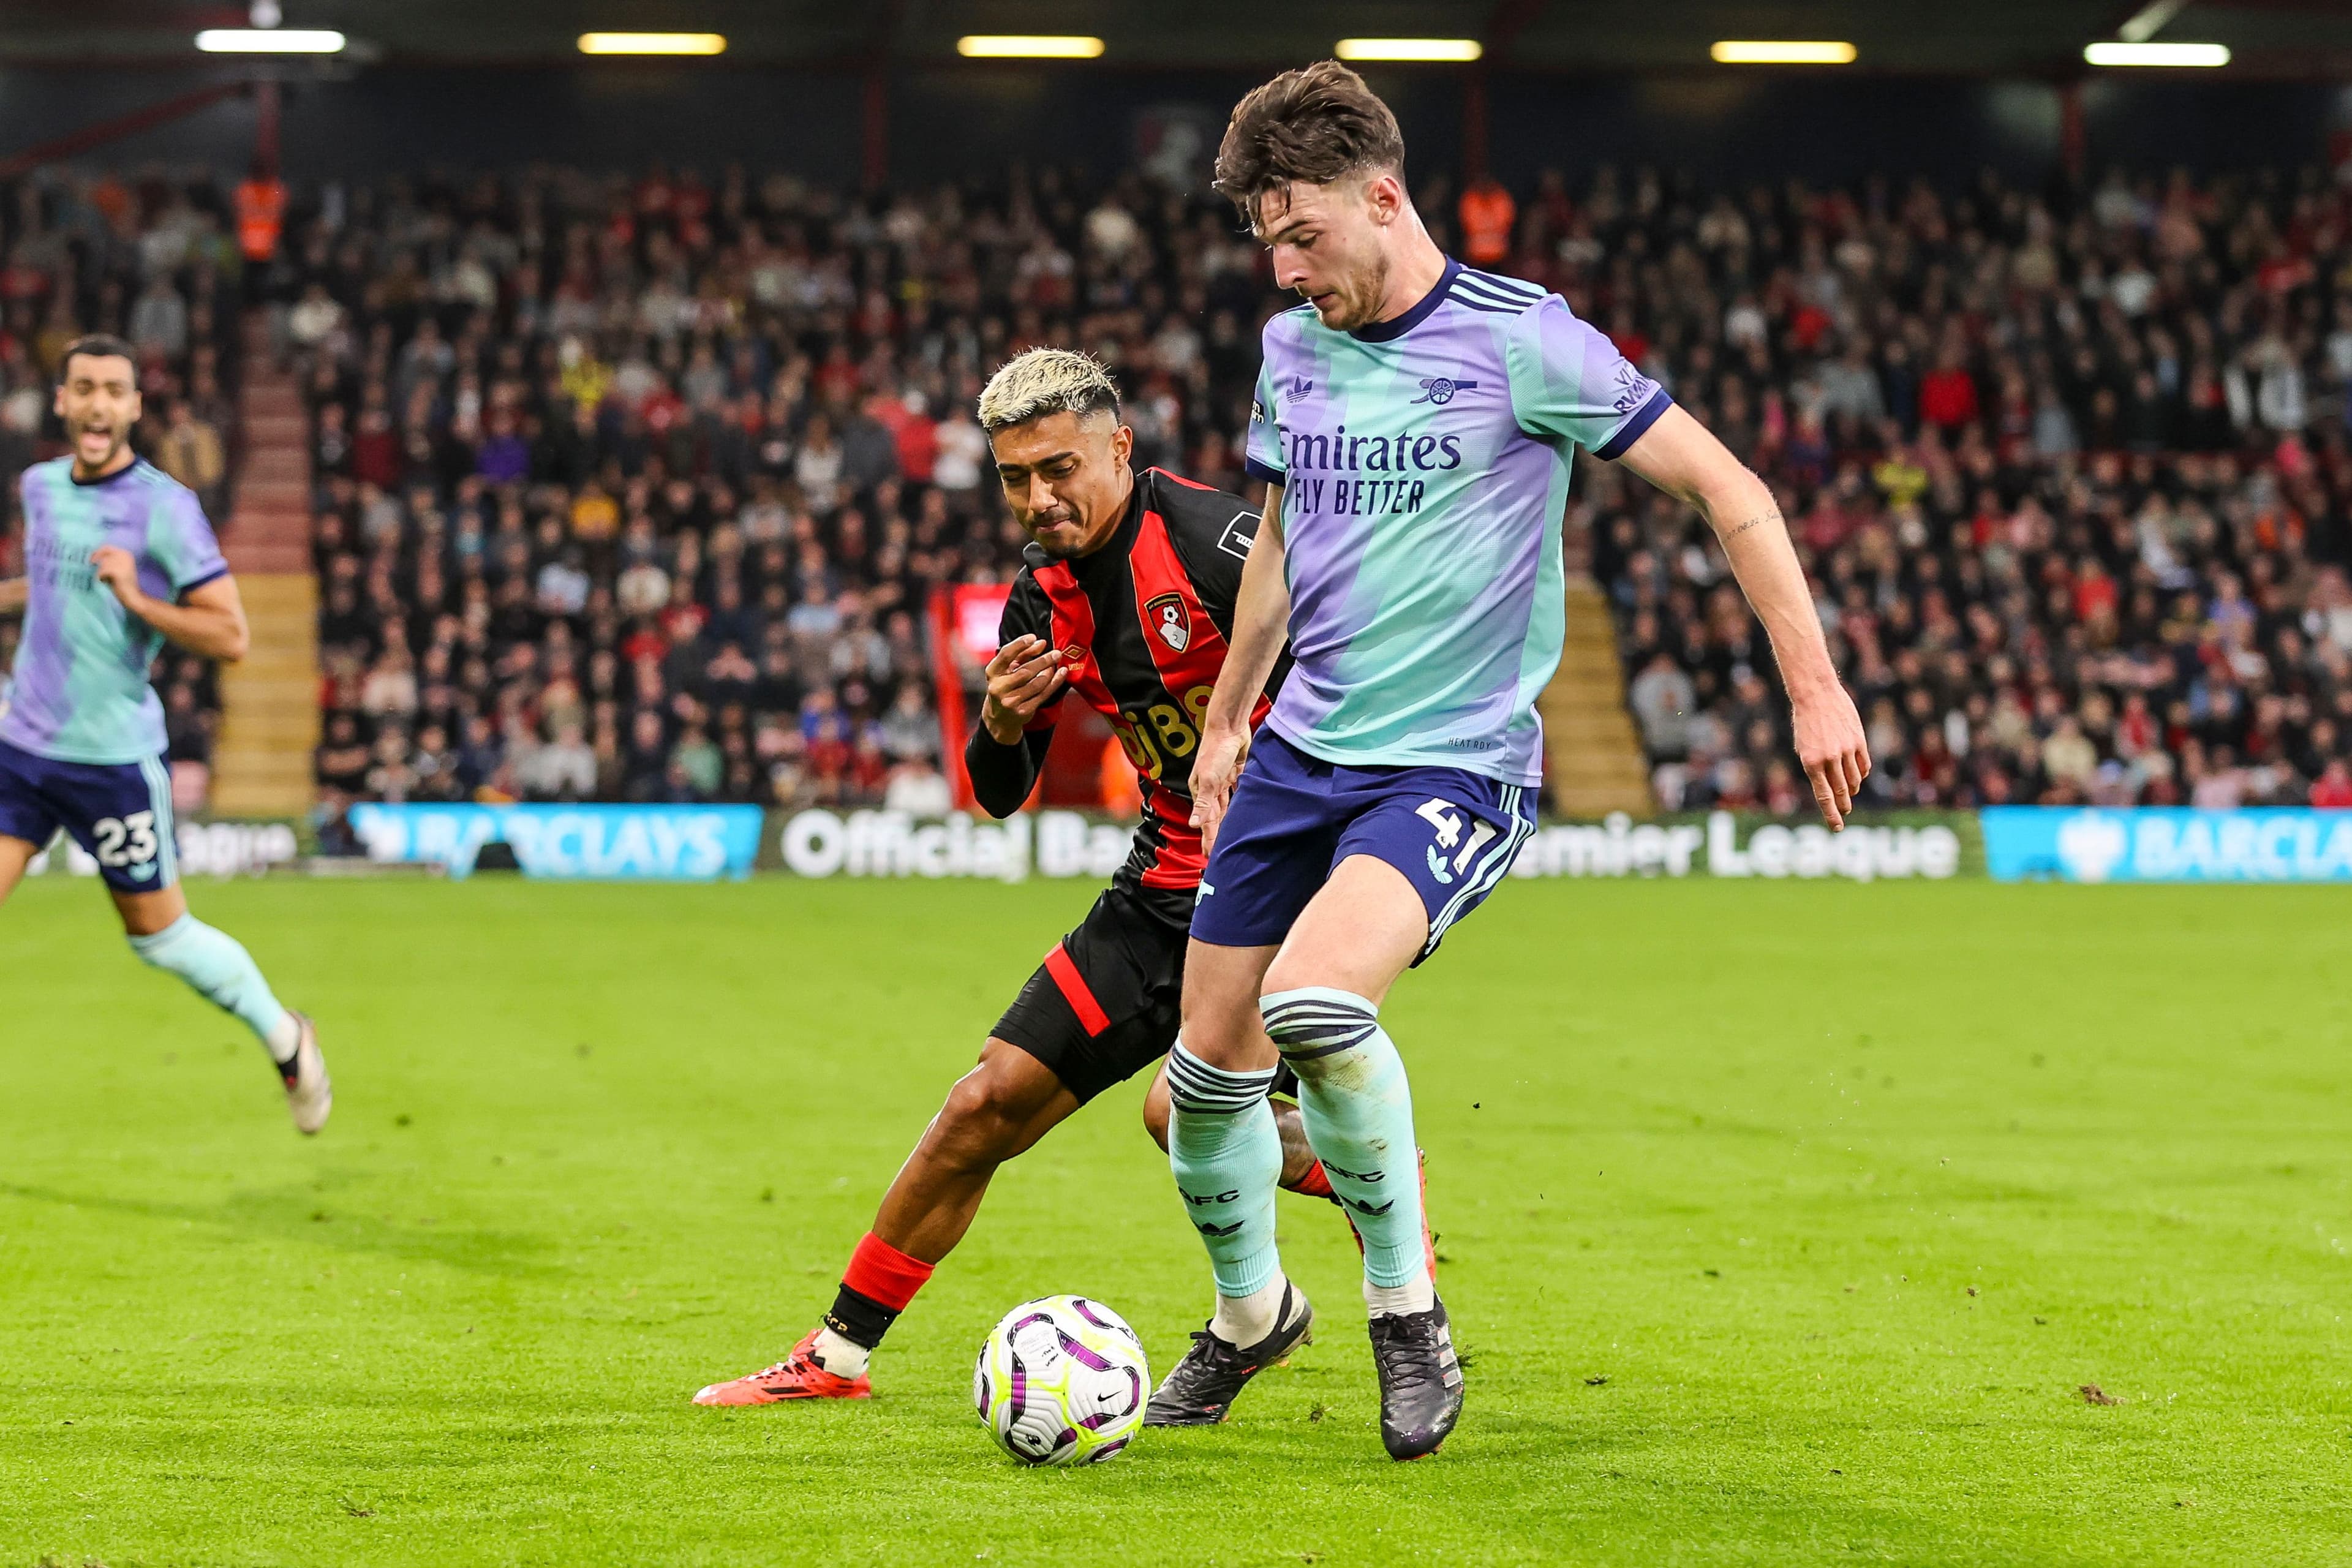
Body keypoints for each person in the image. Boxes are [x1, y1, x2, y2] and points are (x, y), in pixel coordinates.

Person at [1155, 64, 1870, 1460]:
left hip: (1453, 764)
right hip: (1300, 753)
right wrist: (1233, 713)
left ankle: (1407, 1316)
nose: (1289, 268)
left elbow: (1734, 491)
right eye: (1268, 243)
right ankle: (1250, 1318)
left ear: (1383, 194)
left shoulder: (1527, 341)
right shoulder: (1290, 349)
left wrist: (1815, 682)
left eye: (1303, 234)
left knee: (1313, 1001)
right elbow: (1287, 544)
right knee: (1201, 1080)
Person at [690, 348, 1381, 1406]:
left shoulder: (1214, 542)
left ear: (1119, 447)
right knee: (985, 1103)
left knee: (1176, 1115)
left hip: (1278, 892)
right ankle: (833, 1361)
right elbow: (999, 791)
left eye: (1059, 469)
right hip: (1159, 894)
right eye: (1016, 478)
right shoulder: (1041, 590)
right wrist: (1002, 722)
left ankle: (1370, 1188)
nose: (1038, 499)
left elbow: (1360, 662)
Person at [0, 336, 331, 1133]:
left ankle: (286, 1038)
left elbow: (232, 638)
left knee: (161, 938)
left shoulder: (166, 509)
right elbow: (52, 589)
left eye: (115, 391)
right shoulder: (41, 487)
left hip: (110, 761)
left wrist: (139, 601)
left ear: (135, 408)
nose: (99, 405)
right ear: (64, 401)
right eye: (85, 389)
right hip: (21, 746)